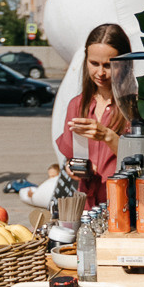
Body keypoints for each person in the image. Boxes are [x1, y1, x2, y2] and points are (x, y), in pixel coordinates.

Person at [56, 24, 132, 207]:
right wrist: (73, 168)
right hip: (88, 206)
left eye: (108, 65)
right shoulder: (77, 105)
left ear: (125, 63)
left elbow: (141, 161)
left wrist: (107, 136)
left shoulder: (134, 106)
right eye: (94, 63)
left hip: (125, 203)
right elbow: (71, 156)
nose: (100, 73)